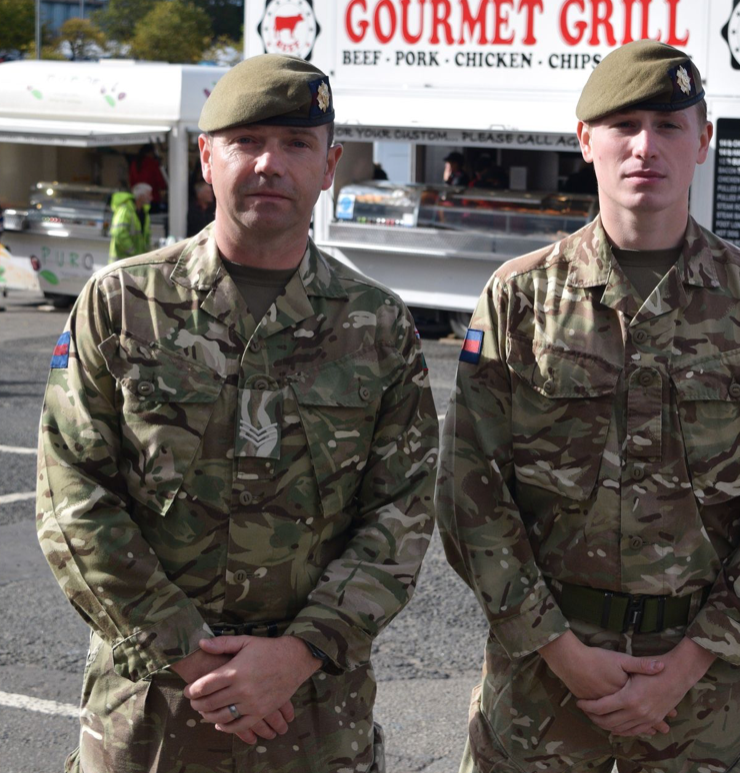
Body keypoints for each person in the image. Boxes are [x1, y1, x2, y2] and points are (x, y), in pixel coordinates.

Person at [36, 54, 438, 773]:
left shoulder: (377, 324)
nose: (268, 164)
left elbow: (402, 511)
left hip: (314, 710)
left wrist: (299, 653)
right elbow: (73, 497)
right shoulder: (122, 304)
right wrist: (189, 654)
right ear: (206, 157)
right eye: (246, 141)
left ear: (330, 165)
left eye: (296, 144)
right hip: (154, 708)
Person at [437, 39, 740, 773]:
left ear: (703, 141)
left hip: (700, 691)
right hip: (542, 681)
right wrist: (561, 650)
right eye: (624, 126)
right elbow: (469, 489)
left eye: (669, 126)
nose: (646, 147)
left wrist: (694, 658)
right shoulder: (519, 297)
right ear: (586, 140)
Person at [108, 182, 154, 260]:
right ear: (141, 196)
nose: (151, 198)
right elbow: (119, 233)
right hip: (122, 261)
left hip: (135, 260)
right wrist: (133, 252)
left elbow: (146, 236)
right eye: (149, 195)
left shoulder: (144, 212)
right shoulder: (125, 210)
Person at [128, 143, 168, 210]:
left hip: (138, 199)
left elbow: (131, 182)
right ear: (151, 152)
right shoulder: (153, 163)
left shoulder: (134, 164)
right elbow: (161, 182)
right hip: (152, 199)